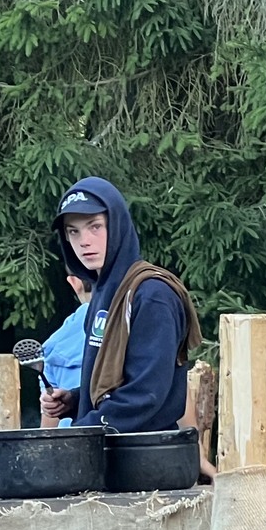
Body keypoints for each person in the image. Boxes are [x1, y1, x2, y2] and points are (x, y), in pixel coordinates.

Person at [39, 177, 204, 434]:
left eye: (95, 226)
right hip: (111, 449)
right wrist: (73, 400)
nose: (84, 241)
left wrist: (78, 434)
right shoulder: (104, 291)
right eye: (73, 231)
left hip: (146, 452)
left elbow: (146, 394)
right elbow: (115, 383)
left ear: (117, 225)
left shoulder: (151, 294)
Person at [38, 273, 91, 428]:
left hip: (68, 440)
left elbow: (49, 428)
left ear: (74, 282)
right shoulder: (131, 324)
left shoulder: (52, 347)